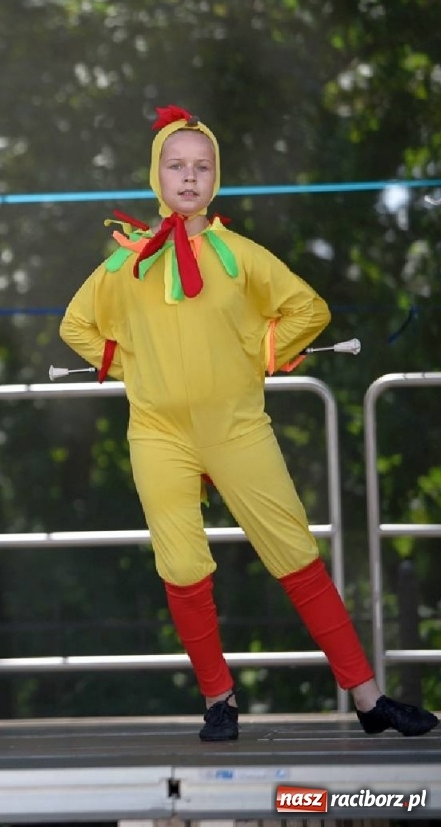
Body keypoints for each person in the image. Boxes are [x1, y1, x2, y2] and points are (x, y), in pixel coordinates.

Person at [60, 106, 438, 742]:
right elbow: (76, 327)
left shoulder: (239, 254)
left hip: (237, 427)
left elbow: (307, 310)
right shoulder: (125, 266)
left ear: (216, 179)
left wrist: (260, 352)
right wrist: (134, 368)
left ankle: (370, 700)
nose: (188, 177)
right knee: (181, 566)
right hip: (157, 434)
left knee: (294, 554)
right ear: (157, 176)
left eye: (200, 167)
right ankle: (219, 701)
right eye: (175, 166)